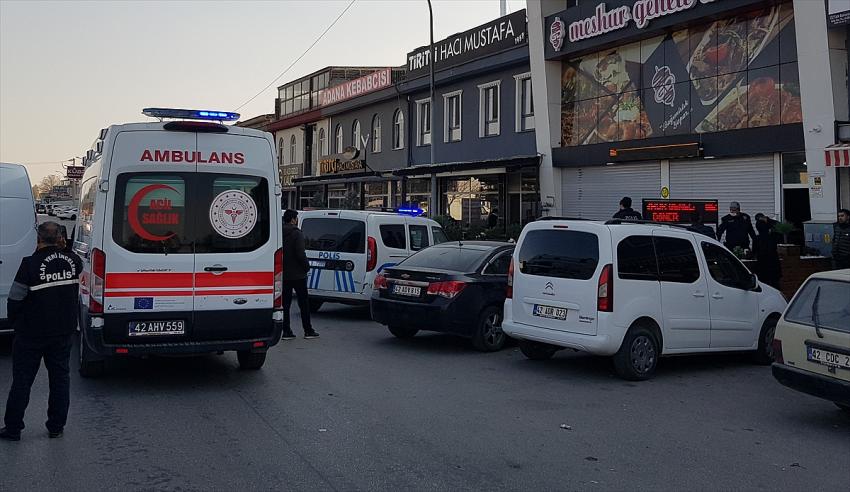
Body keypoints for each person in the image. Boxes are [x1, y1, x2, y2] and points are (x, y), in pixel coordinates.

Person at [1, 222, 82, 442]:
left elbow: (15, 299)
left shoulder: (30, 264)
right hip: (63, 332)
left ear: (39, 238)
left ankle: (13, 428)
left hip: (31, 334)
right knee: (60, 380)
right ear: (60, 238)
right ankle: (56, 426)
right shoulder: (74, 261)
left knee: (22, 381)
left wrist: (16, 323)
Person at [281, 209, 319, 340]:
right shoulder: (297, 234)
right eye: (296, 218)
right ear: (293, 219)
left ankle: (286, 331)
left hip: (284, 274)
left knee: (285, 304)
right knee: (303, 303)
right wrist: (306, 267)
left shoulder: (278, 232)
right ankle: (308, 330)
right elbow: (300, 254)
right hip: (298, 274)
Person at [753, 213, 782, 289]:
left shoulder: (757, 239)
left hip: (762, 269)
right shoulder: (773, 237)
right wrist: (768, 220)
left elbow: (754, 253)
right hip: (774, 268)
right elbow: (779, 225)